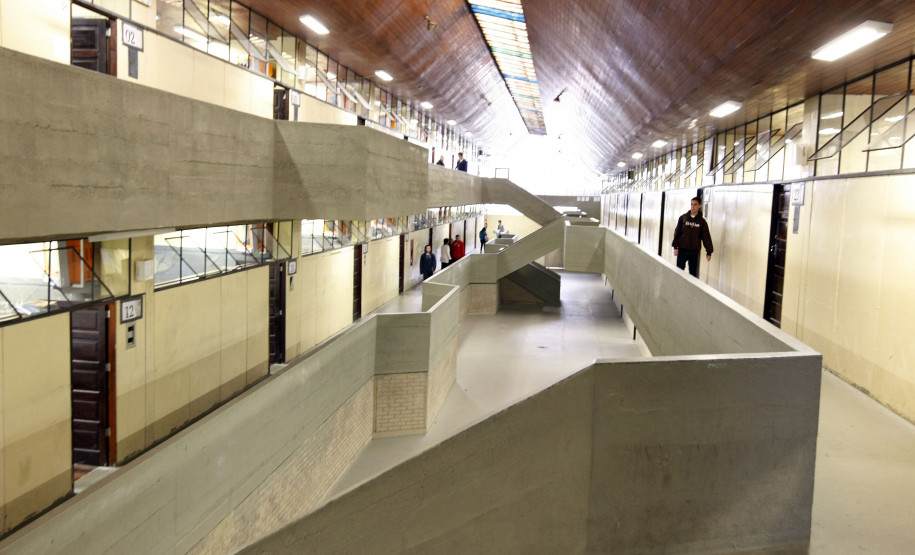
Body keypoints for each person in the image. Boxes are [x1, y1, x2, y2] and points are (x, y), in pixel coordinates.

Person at [672, 196, 713, 278]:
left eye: (695, 204)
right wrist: (675, 247)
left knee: (693, 275)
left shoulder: (702, 222)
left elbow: (706, 237)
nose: (693, 206)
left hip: (694, 252)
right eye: (691, 204)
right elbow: (677, 233)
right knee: (679, 273)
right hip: (682, 250)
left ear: (699, 206)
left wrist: (709, 251)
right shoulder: (683, 218)